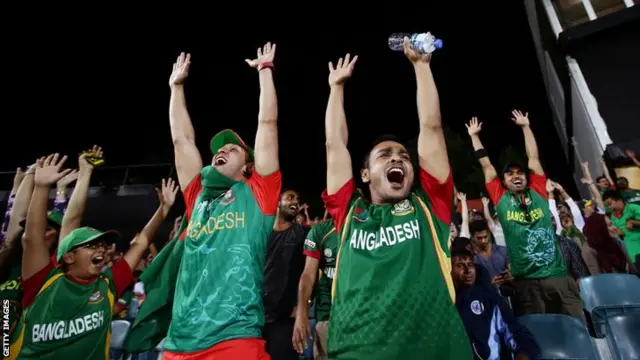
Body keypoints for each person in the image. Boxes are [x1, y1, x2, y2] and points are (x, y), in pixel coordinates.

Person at [321, 39, 472, 358]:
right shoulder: (349, 214)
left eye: (403, 155)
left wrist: (421, 67)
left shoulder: (430, 207)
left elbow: (431, 129)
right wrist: (336, 89)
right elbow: (335, 144)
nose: (397, 159)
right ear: (364, 175)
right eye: (384, 155)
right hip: (355, 351)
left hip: (435, 349)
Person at [160, 43, 282, 360]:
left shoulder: (260, 193)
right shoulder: (197, 194)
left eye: (233, 148)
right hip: (180, 340)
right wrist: (176, 87)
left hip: (234, 338)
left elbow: (267, 124)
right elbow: (181, 139)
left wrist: (265, 71)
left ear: (248, 167)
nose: (222, 149)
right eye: (220, 147)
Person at [10, 155, 173, 359]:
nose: (102, 250)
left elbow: (141, 243)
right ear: (69, 257)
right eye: (91, 245)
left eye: (102, 245)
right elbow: (32, 239)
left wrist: (163, 210)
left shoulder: (108, 284)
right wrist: (42, 187)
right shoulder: (43, 282)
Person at [466, 113, 582, 318]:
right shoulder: (500, 198)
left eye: (520, 172)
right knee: (540, 338)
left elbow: (533, 158)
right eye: (510, 174)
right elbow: (486, 165)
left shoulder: (538, 191)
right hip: (526, 283)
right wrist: (474, 137)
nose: (516, 176)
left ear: (527, 178)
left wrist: (526, 127)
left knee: (576, 329)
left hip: (557, 277)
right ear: (503, 181)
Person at [451, 246, 540, 360]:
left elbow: (515, 331)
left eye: (470, 265)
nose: (468, 270)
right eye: (460, 266)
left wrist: (524, 353)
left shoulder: (489, 298)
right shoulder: (443, 301)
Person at [262, 190, 307, 360]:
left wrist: (301, 306)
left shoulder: (302, 234)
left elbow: (309, 273)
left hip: (285, 317)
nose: (295, 201)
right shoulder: (262, 231)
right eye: (290, 197)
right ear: (278, 202)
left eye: (297, 198)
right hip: (254, 314)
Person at [292, 218, 339, 360]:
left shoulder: (369, 224)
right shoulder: (321, 231)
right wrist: (302, 314)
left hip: (363, 314)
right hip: (328, 314)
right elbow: (308, 275)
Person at [603, 190, 640, 268]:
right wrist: (619, 233)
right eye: (607, 206)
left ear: (619, 200)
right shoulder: (613, 216)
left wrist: (633, 222)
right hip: (632, 255)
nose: (609, 207)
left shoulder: (633, 208)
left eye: (610, 204)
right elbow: (622, 235)